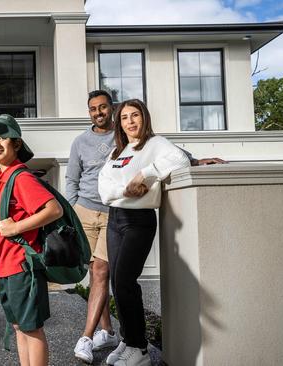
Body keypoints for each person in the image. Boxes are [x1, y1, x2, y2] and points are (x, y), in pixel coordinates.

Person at [98, 99, 191, 366]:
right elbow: (104, 190)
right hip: (115, 218)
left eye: (135, 115)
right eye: (124, 117)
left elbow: (180, 159)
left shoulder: (155, 144)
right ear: (119, 123)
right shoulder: (118, 151)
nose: (130, 121)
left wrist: (146, 174)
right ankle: (128, 340)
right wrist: (127, 188)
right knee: (117, 282)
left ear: (144, 118)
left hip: (139, 220)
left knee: (126, 280)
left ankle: (139, 350)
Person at [0, 114, 63, 366]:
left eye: (2, 137)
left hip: (22, 266)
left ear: (17, 143)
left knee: (30, 328)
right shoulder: (0, 180)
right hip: (6, 268)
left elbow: (53, 210)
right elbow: (11, 216)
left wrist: (15, 228)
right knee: (19, 327)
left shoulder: (20, 177)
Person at [68, 90, 119, 364]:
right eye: (92, 109)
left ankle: (86, 337)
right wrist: (72, 213)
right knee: (94, 272)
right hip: (84, 212)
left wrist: (192, 159)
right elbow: (71, 180)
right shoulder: (80, 142)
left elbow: (155, 145)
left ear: (111, 108)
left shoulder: (123, 134)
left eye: (102, 107)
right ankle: (108, 331)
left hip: (113, 213)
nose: (98, 113)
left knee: (101, 270)